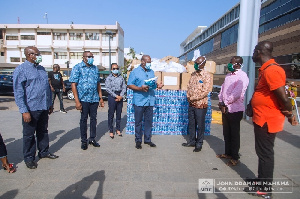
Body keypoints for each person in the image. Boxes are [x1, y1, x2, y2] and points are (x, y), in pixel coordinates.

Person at [246, 41, 298, 198]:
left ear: (259, 52)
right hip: (261, 117)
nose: (253, 54)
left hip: (267, 119)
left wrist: (290, 113)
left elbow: (282, 97)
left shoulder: (272, 70)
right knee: (261, 152)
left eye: (255, 51)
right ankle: (261, 180)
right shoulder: (265, 69)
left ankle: (265, 189)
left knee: (266, 154)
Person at [13, 46, 59, 169]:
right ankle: (29, 158)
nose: (39, 56)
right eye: (37, 54)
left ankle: (44, 151)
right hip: (31, 108)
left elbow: (47, 88)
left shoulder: (41, 69)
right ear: (29, 55)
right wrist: (24, 110)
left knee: (43, 131)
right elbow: (18, 92)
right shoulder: (21, 70)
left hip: (43, 106)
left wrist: (49, 104)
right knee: (29, 134)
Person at [69, 51, 105, 150]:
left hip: (94, 98)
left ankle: (92, 138)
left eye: (92, 57)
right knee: (84, 119)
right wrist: (77, 101)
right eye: (89, 57)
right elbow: (73, 84)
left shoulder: (95, 68)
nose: (91, 58)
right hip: (83, 99)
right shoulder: (78, 67)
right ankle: (84, 141)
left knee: (94, 119)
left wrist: (100, 98)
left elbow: (98, 84)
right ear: (83, 57)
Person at [217, 56, 249, 166]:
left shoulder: (242, 76)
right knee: (226, 133)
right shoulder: (228, 75)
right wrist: (221, 101)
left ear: (238, 64)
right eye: (230, 62)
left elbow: (237, 93)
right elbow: (222, 89)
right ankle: (228, 153)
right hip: (225, 109)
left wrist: (225, 103)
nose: (230, 64)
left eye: (232, 62)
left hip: (235, 110)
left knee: (234, 134)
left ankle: (235, 157)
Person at [127, 55, 163, 149]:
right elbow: (130, 85)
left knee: (148, 121)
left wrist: (157, 85)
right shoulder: (135, 72)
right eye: (148, 62)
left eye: (150, 62)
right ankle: (138, 140)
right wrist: (140, 88)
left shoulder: (151, 72)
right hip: (139, 101)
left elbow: (152, 84)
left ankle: (147, 139)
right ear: (142, 61)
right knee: (138, 122)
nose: (149, 64)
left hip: (150, 100)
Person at [182, 56, 212, 152]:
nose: (195, 65)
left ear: (203, 64)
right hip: (191, 104)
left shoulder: (207, 75)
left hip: (200, 105)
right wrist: (188, 96)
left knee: (200, 125)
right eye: (195, 62)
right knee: (192, 123)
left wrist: (193, 98)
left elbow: (205, 91)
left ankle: (199, 143)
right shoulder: (193, 74)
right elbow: (189, 86)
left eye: (197, 63)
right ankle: (191, 141)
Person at [105, 63, 126, 139]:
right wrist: (116, 96)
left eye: (116, 68)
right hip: (112, 96)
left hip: (120, 95)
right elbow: (108, 88)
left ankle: (118, 129)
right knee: (111, 114)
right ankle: (111, 130)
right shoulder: (109, 78)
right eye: (114, 69)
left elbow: (124, 87)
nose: (115, 70)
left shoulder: (121, 77)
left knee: (119, 114)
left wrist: (120, 96)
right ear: (111, 70)